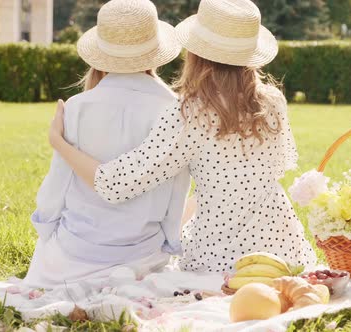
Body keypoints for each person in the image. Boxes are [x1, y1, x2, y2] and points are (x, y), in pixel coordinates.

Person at [49, 0, 317, 273]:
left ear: (196, 54)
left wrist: (59, 142)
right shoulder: (272, 102)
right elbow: (270, 171)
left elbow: (115, 183)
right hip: (283, 249)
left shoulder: (189, 113)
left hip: (218, 256)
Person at [24, 0, 189, 288]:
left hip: (73, 255)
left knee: (51, 258)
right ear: (156, 54)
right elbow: (177, 188)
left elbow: (58, 185)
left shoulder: (75, 108)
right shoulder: (174, 109)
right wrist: (171, 242)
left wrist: (45, 227)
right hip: (142, 254)